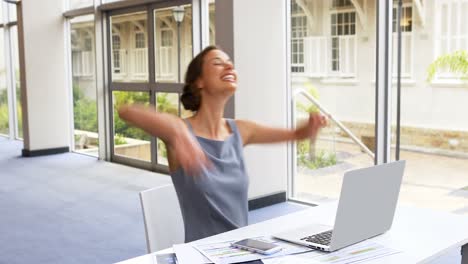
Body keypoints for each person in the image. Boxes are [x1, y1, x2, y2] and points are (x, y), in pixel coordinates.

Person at [118, 45, 327, 242]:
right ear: (199, 81)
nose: (229, 66)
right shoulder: (179, 133)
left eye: (230, 63)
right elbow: (126, 111)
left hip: (242, 252)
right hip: (202, 256)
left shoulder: (241, 130)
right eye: (218, 62)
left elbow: (296, 134)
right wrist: (178, 131)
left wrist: (309, 128)